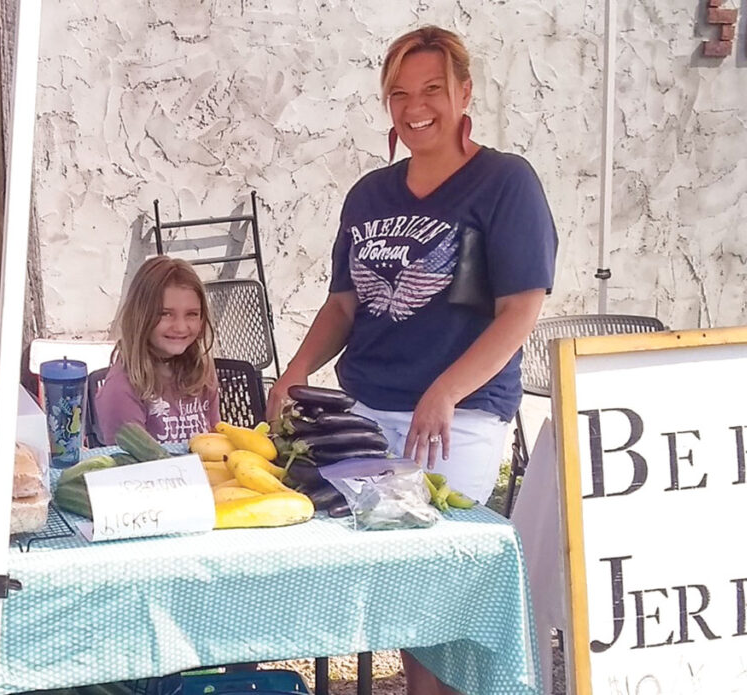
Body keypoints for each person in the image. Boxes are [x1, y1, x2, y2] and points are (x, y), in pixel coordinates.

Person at [267, 24, 557, 695]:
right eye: (399, 93)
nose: (414, 105)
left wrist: (447, 389)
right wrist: (295, 369)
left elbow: (520, 310)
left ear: (464, 93)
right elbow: (344, 304)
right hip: (362, 415)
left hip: (457, 422)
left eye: (431, 89)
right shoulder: (369, 194)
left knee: (436, 586)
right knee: (385, 581)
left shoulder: (505, 183)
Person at [95, 256, 220, 445]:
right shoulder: (121, 387)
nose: (180, 327)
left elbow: (217, 437)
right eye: (165, 314)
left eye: (192, 314)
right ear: (140, 316)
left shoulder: (202, 369)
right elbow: (128, 465)